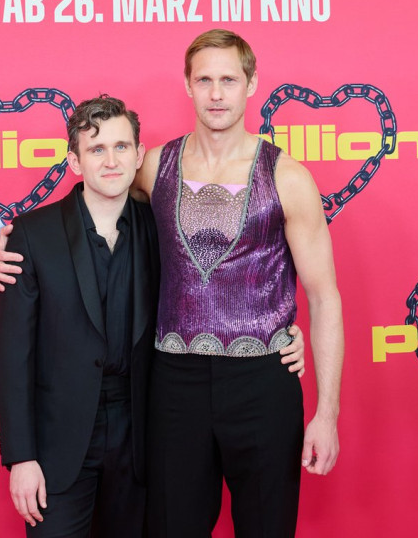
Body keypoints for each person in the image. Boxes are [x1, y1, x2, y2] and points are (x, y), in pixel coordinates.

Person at [0, 94, 306, 538]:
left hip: (141, 438)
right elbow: (14, 357)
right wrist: (21, 457)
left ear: (139, 155)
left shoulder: (162, 225)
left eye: (121, 147)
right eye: (96, 149)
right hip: (59, 446)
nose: (111, 161)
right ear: (75, 161)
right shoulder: (31, 236)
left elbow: (218, 282)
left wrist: (279, 329)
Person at [135, 29, 344, 537]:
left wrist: (327, 415)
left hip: (263, 382)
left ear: (251, 85)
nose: (216, 93)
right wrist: (18, 243)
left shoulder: (288, 177)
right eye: (204, 80)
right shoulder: (153, 167)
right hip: (174, 382)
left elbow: (324, 298)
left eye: (228, 80)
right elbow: (91, 208)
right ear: (187, 85)